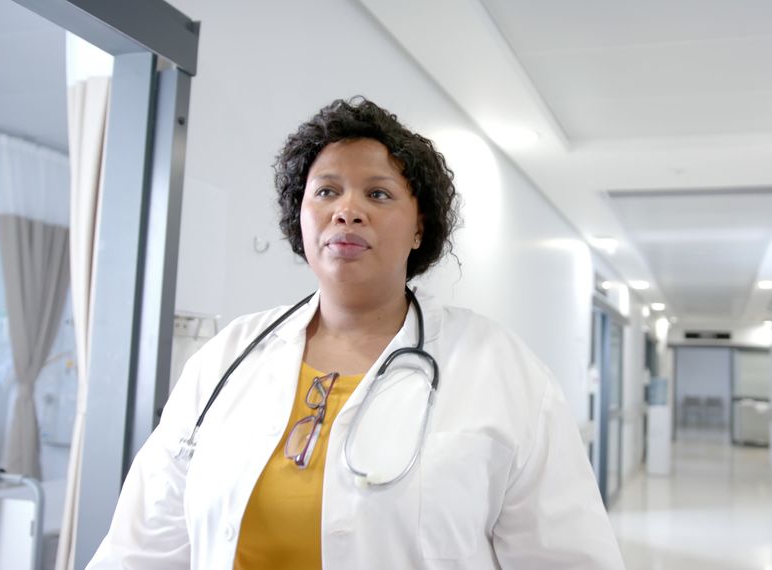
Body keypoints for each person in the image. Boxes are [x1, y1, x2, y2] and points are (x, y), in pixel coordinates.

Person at [88, 97, 624, 569]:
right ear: (300, 216)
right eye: (326, 191)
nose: (347, 212)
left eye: (379, 194)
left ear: (420, 226)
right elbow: (141, 547)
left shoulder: (502, 371)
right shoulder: (225, 359)